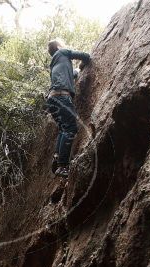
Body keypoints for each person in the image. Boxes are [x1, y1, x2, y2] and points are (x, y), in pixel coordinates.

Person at [46, 38, 91, 177]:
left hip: (52, 99)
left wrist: (77, 70)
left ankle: (57, 157)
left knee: (63, 129)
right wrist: (84, 62)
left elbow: (70, 75)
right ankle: (62, 166)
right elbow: (86, 56)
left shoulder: (55, 64)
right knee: (71, 128)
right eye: (62, 44)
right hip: (61, 97)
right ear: (59, 47)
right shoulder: (64, 53)